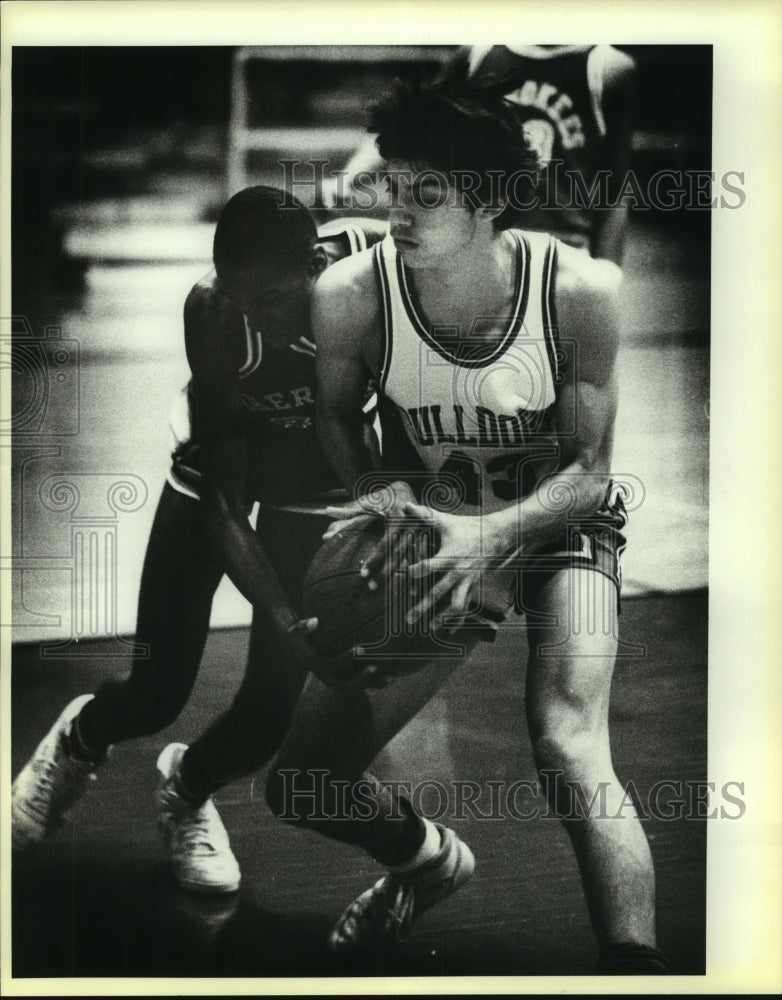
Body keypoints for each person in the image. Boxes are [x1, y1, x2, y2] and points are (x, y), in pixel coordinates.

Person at [264, 78, 666, 974]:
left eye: (424, 193)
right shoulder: (351, 293)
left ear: (485, 201)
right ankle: (426, 863)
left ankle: (638, 971)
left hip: (558, 524)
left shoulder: (581, 289)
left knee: (568, 742)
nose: (395, 212)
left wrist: (492, 536)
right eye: (391, 186)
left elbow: (588, 473)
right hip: (437, 521)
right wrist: (382, 499)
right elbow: (336, 418)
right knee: (298, 784)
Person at [11, 186, 387, 895]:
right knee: (157, 690)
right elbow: (222, 497)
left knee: (268, 713)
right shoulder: (214, 310)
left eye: (273, 300)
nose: (263, 323)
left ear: (316, 262)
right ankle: (78, 740)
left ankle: (185, 790)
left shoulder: (380, 269)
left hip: (316, 488)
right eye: (248, 306)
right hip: (219, 481)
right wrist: (284, 618)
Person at [326, 44, 635, 266]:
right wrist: (349, 178)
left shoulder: (607, 68)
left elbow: (616, 189)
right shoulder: (479, 55)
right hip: (485, 241)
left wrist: (608, 271)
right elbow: (409, 123)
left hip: (562, 245)